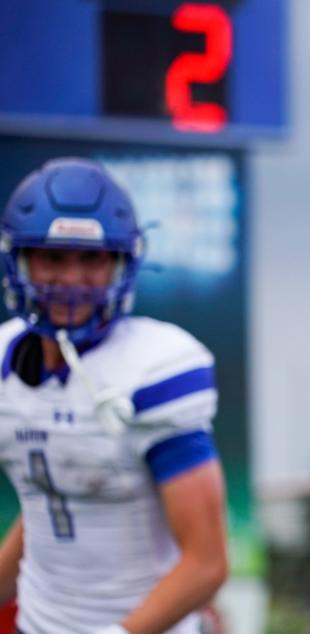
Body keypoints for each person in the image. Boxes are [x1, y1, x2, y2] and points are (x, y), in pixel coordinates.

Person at [0, 158, 228, 633]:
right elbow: (49, 501)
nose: (71, 279)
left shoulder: (154, 368)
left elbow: (206, 562)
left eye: (91, 259)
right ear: (19, 260)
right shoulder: (5, 359)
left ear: (122, 263)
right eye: (53, 257)